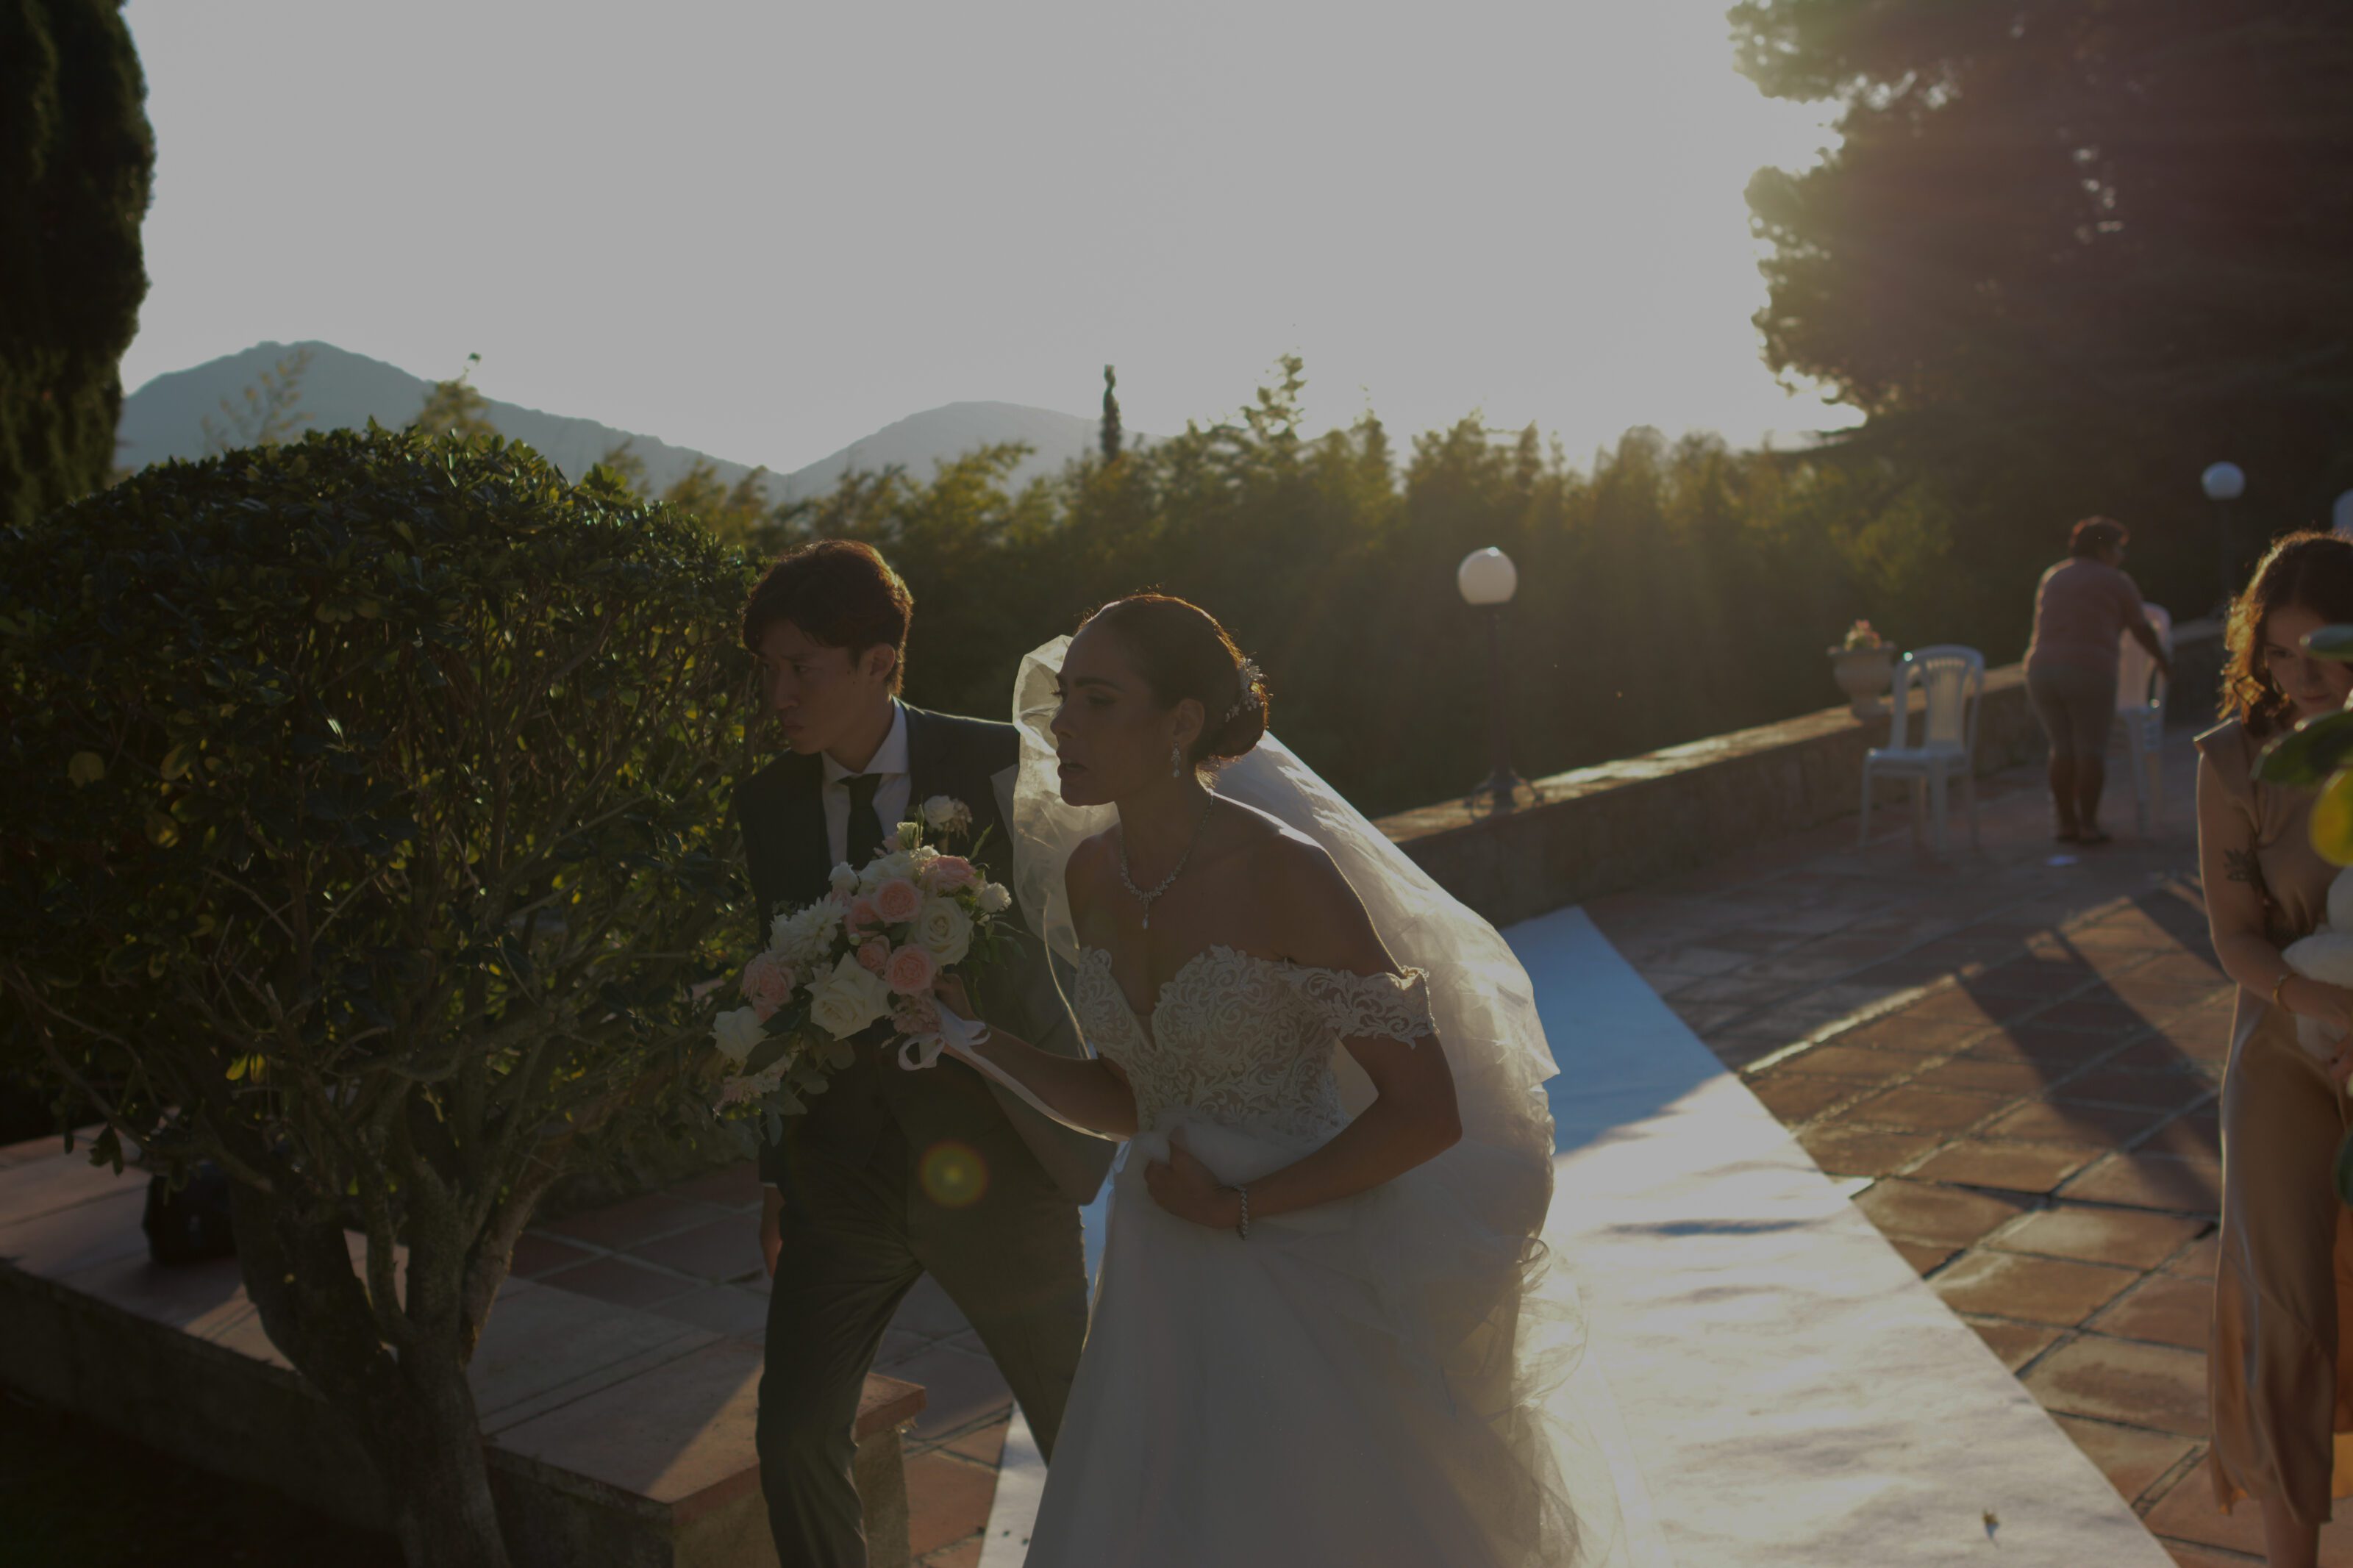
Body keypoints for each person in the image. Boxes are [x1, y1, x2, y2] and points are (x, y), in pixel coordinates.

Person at [928, 593, 1621, 1567]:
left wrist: (1243, 1204)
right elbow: (1132, 1095)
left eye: (1096, 700)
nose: (1062, 727)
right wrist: (962, 1033)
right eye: (1061, 701)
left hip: (1302, 1270)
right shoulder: (1092, 875)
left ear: (1179, 725)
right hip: (1158, 1275)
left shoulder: (1284, 872)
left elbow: (1425, 1112)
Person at [731, 541, 1113, 1568]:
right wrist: (776, 1173)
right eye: (765, 667)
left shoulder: (1000, 762)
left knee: (1085, 1432)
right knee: (794, 1434)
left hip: (995, 1159)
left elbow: (1085, 943)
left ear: (880, 663)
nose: (779, 691)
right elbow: (771, 985)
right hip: (840, 1181)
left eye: (800, 665)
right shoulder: (765, 803)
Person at [2196, 531, 2353, 1568]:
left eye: (2328, 648)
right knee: (2290, 1309)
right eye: (2283, 652)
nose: (2304, 675)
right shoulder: (2232, 758)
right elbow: (2235, 934)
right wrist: (2321, 1004)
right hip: (2286, 1058)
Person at [2024, 516, 2174, 844]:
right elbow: (2142, 628)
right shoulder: (2115, 580)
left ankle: (2066, 824)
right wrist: (2165, 663)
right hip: (2090, 670)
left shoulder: (2054, 576)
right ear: (2103, 549)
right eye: (2119, 547)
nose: (2122, 555)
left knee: (2062, 749)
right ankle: (2089, 825)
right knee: (2090, 749)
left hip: (2042, 671)